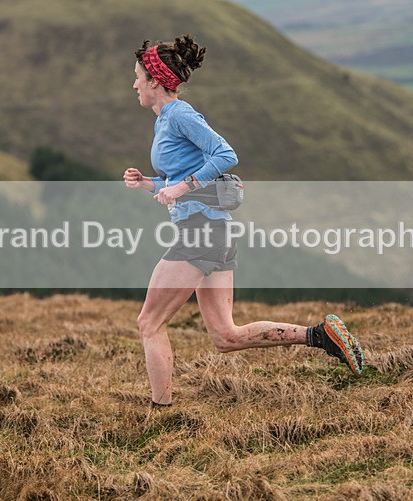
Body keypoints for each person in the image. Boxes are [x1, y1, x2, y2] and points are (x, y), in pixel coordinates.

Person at [123, 34, 363, 407]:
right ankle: (321, 335)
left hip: (201, 232)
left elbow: (225, 153)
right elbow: (178, 177)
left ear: (155, 80)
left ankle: (162, 412)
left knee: (149, 323)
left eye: (137, 76)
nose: (134, 83)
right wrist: (149, 184)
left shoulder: (181, 115)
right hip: (213, 231)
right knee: (226, 336)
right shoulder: (164, 120)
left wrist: (183, 186)